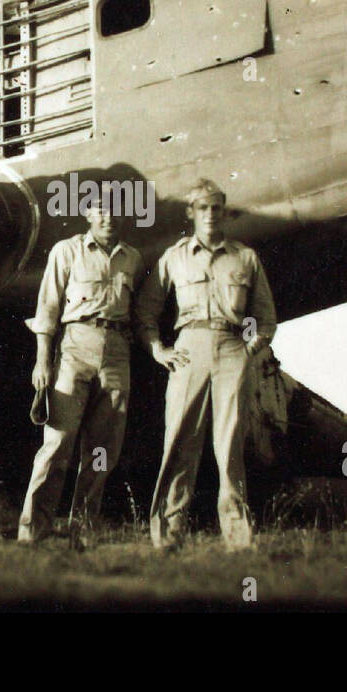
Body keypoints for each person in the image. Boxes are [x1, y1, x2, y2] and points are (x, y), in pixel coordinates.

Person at [135, 179, 277, 550]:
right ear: (191, 213)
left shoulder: (245, 258)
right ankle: (168, 536)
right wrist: (158, 350)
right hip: (189, 348)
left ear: (224, 211)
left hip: (232, 349)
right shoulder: (175, 257)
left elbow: (266, 318)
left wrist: (250, 350)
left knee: (230, 445)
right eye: (202, 208)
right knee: (180, 441)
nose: (210, 215)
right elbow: (146, 310)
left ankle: (238, 538)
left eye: (216, 208)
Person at [18, 199, 143, 548]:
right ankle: (32, 532)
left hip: (117, 349)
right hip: (75, 344)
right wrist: (43, 362)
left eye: (114, 209)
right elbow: (48, 309)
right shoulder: (66, 251)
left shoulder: (132, 258)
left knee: (103, 450)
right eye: (99, 209)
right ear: (88, 215)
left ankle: (82, 531)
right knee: (58, 442)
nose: (108, 215)